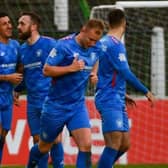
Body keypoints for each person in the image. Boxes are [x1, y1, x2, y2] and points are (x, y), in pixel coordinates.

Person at [26, 18, 105, 168]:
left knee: (86, 144)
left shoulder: (97, 47)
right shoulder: (64, 45)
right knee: (43, 147)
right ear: (83, 30)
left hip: (77, 106)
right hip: (56, 106)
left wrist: (94, 73)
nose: (93, 43)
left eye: (96, 40)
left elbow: (96, 58)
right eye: (91, 39)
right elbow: (46, 70)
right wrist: (71, 68)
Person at [95, 9, 155, 168]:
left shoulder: (103, 42)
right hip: (109, 98)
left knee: (124, 144)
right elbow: (125, 73)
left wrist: (123, 93)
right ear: (124, 24)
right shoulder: (115, 45)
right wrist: (146, 91)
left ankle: (104, 165)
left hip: (115, 96)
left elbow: (106, 72)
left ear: (108, 24)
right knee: (114, 143)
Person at [13, 12, 64, 168]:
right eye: (18, 23)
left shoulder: (50, 44)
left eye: (22, 23)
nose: (18, 27)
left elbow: (63, 67)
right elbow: (26, 75)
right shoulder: (22, 50)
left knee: (54, 140)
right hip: (32, 103)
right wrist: (17, 89)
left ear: (33, 26)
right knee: (39, 142)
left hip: (50, 101)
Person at [0, 12, 23, 164]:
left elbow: (21, 67)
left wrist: (15, 89)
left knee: (3, 136)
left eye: (9, 22)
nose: (10, 26)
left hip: (7, 98)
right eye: (4, 24)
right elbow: (11, 75)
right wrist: (7, 78)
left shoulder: (15, 45)